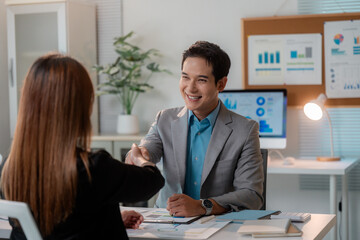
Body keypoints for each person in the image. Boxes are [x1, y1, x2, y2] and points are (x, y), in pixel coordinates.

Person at [0, 53, 164, 239]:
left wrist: (113, 217)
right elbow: (152, 182)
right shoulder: (92, 167)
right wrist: (140, 159)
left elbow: (60, 220)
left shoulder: (9, 169)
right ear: (77, 109)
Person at [126, 41, 264, 217]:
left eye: (201, 80)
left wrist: (203, 206)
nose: (190, 88)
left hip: (215, 225)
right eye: (185, 77)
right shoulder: (165, 119)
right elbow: (145, 151)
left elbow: (252, 195)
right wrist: (139, 155)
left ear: (221, 84)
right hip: (166, 222)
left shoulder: (244, 130)